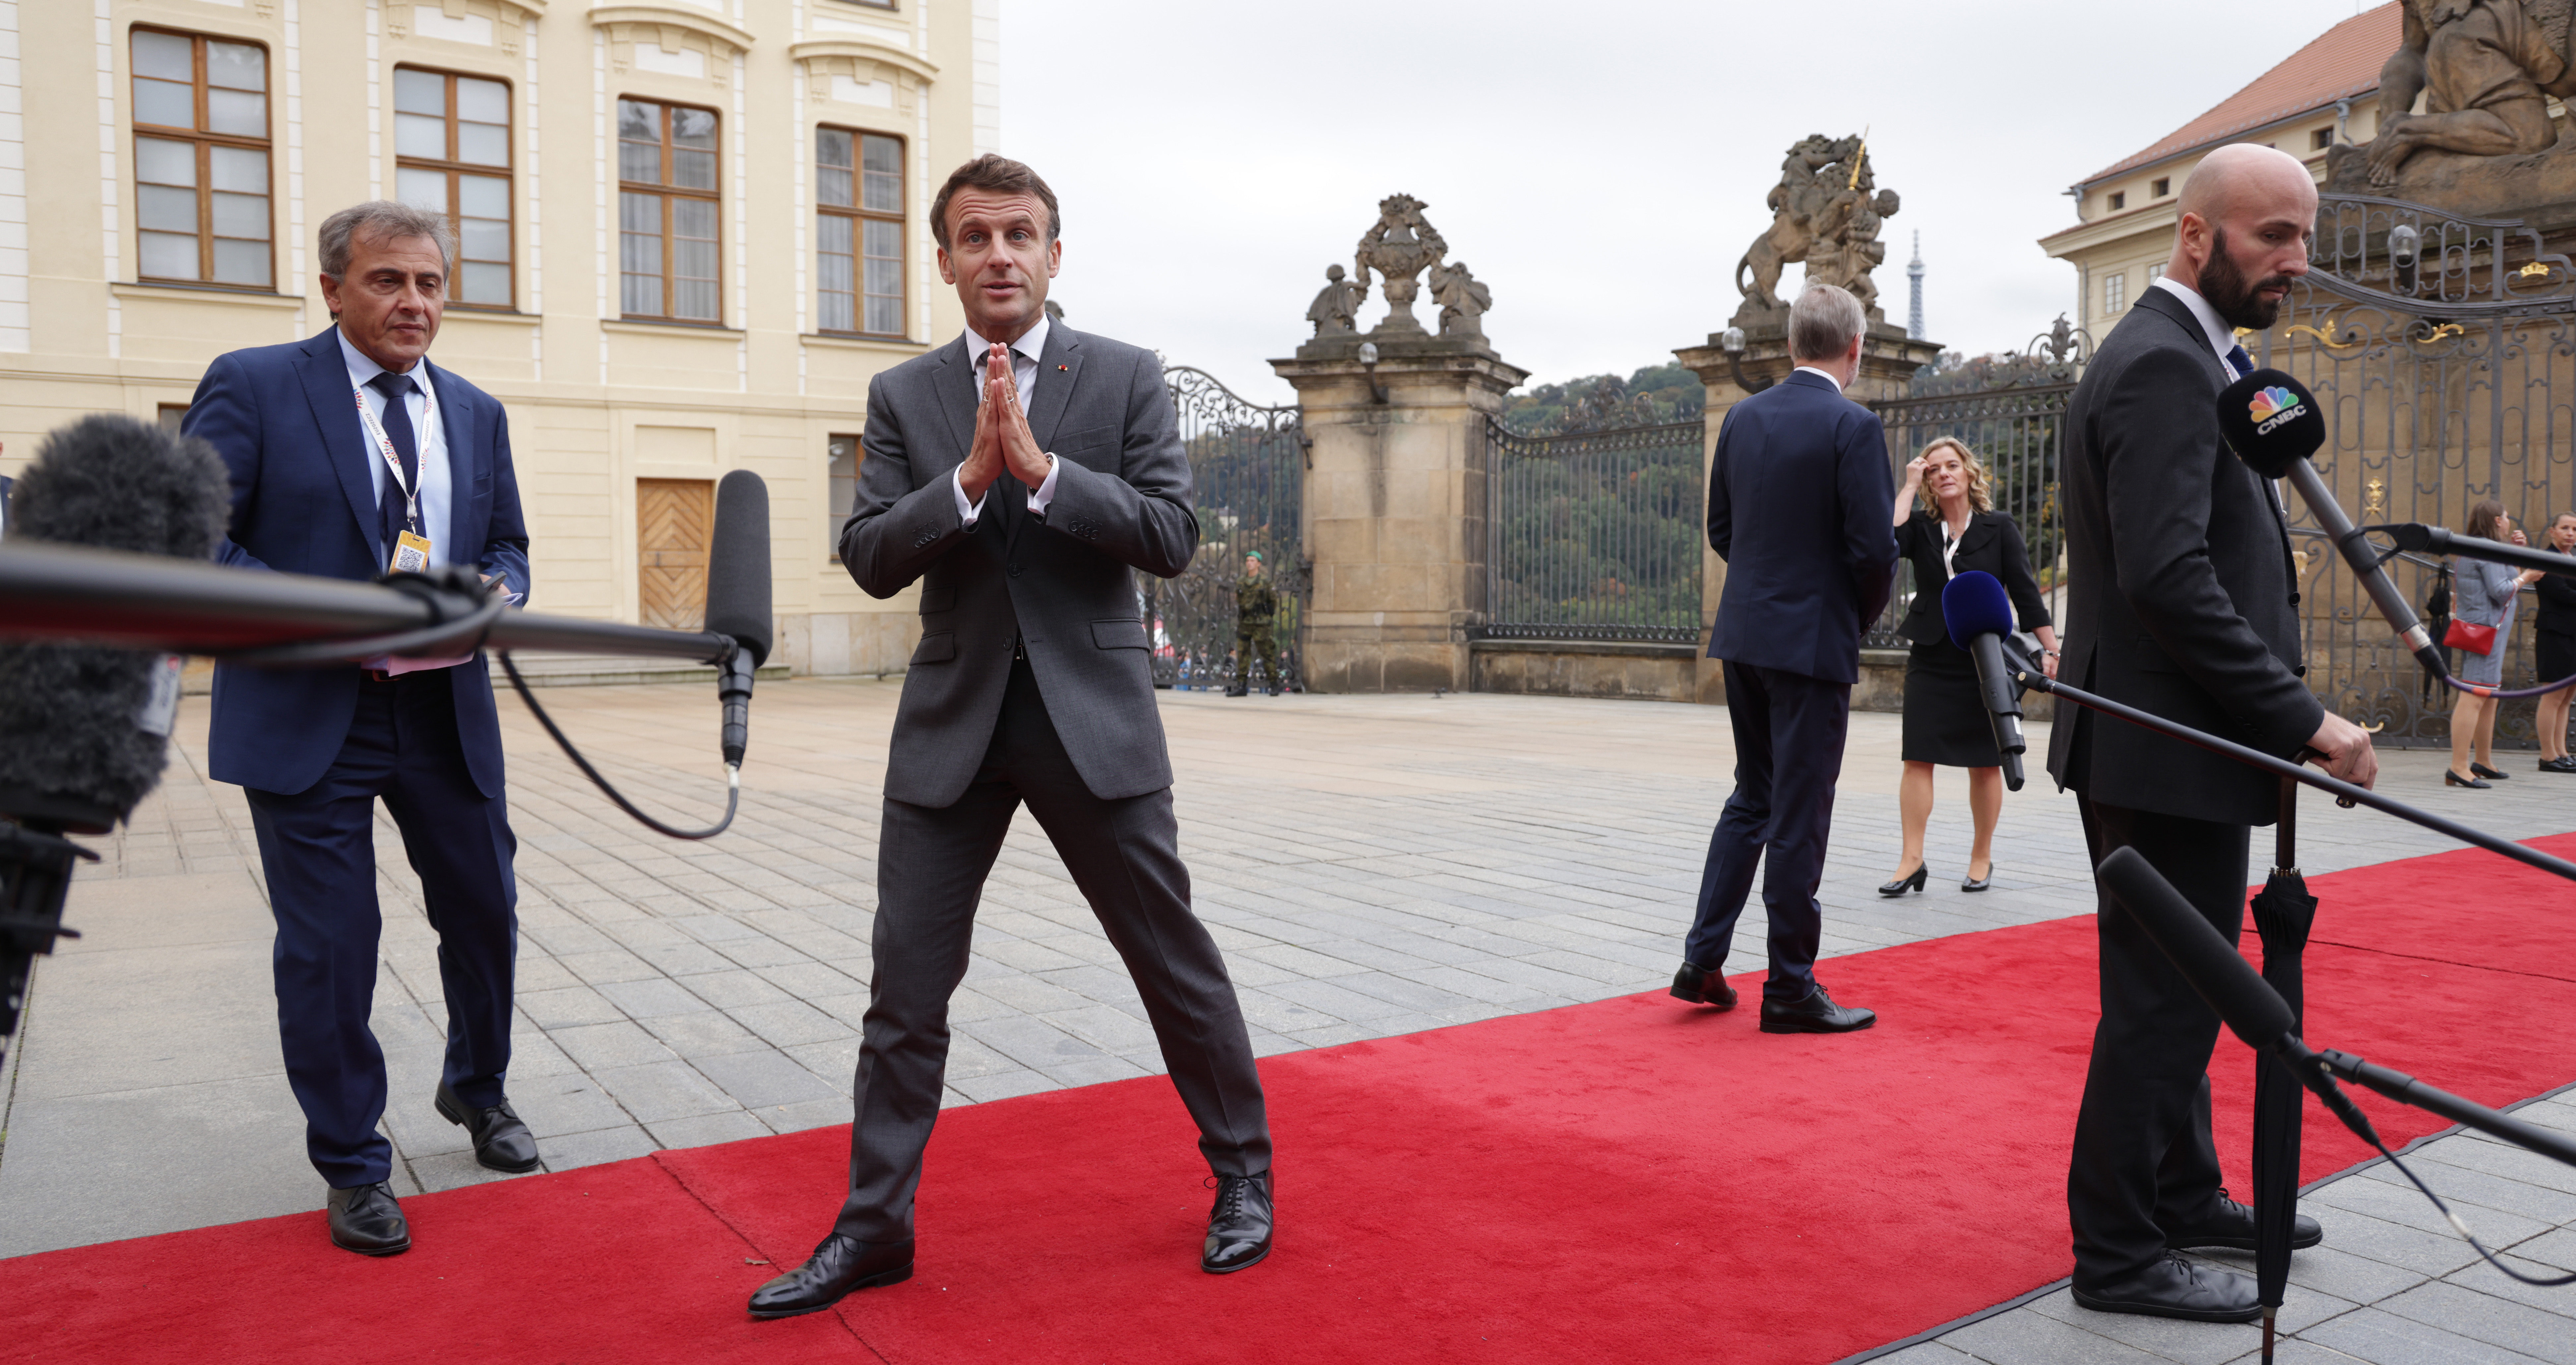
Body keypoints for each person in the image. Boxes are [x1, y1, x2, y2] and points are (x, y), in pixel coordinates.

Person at [751, 155, 1275, 1320]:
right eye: (975, 237)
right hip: (952, 725)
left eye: (1020, 234)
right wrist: (965, 479)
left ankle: (1243, 1172)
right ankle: (874, 1224)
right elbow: (873, 555)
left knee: (1171, 960)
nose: (999, 254)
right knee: (904, 993)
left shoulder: (1128, 376)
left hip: (1094, 721)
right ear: (942, 261)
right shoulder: (903, 395)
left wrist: (1041, 475)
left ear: (1051, 253)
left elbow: (1173, 535)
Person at [2046, 144, 2374, 1323]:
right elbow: (2168, 578)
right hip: (2159, 745)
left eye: (2304, 235)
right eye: (2273, 236)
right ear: (2197, 237)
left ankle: (2184, 1195)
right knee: (2162, 1003)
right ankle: (2120, 1252)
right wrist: (2304, 720)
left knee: (2180, 988)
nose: (2296, 260)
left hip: (2168, 742)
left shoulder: (2193, 360)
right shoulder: (2162, 369)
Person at [182, 202, 535, 1257]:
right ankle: (352, 1161)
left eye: (430, 284)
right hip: (308, 711)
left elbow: (510, 543)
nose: (414, 303)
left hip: (441, 709)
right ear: (333, 287)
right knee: (334, 948)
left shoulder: (474, 410)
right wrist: (323, 611)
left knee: (485, 914)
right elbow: (189, 533)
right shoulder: (253, 383)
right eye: (389, 281)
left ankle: (475, 1088)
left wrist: (495, 590)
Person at [1669, 282, 1895, 1035]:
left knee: (1752, 797)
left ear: (1792, 342)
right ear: (1854, 349)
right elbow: (1872, 551)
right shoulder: (1852, 426)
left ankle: (1701, 958)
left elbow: (1721, 529)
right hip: (1810, 643)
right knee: (1799, 812)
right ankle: (1789, 985)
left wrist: (1766, 589)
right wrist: (1845, 618)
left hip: (1743, 634)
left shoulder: (1739, 418)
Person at [1881, 437, 2060, 896]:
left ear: (1967, 472)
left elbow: (2025, 593)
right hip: (1930, 656)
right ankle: (1911, 859)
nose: (1943, 473)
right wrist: (1906, 484)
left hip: (1982, 659)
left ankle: (1981, 857)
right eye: (1934, 469)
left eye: (1951, 466)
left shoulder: (1998, 527)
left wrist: (2051, 649)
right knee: (1917, 757)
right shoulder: (1921, 527)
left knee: (1984, 764)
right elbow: (1886, 539)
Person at [2444, 499, 2541, 787]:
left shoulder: (2484, 548)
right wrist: (2526, 576)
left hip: (2489, 633)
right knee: (2473, 698)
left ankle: (2483, 761)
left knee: (2486, 699)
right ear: (2498, 521)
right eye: (2507, 517)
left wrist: (2516, 553)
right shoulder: (2484, 550)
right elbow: (2501, 591)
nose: (2510, 522)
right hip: (2483, 633)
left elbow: (2501, 579)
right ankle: (2458, 766)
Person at [2531, 511, 2576, 773]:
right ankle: (2547, 755)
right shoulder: (2546, 559)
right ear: (2552, 531)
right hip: (2555, 633)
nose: (2570, 533)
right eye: (2565, 528)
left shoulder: (2572, 558)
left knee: (2567, 697)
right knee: (2553, 695)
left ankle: (2562, 751)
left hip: (2573, 633)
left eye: (2574, 529)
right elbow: (2561, 593)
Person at [1230, 550, 1280, 697]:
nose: (1250, 563)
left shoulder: (1265, 582)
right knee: (1243, 654)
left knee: (1267, 653)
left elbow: (1273, 602)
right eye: (1248, 561)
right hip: (1246, 622)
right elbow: (1238, 599)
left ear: (1258, 563)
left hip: (1261, 624)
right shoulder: (1241, 581)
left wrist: (1266, 615)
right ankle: (1242, 686)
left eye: (1253, 561)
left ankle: (1274, 684)